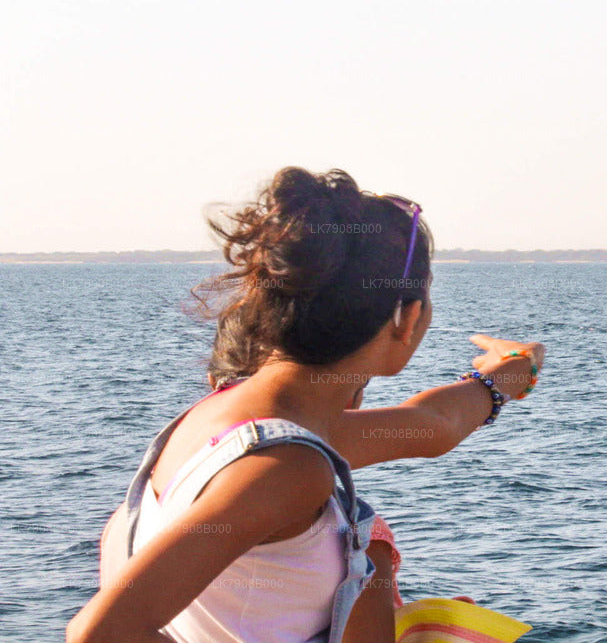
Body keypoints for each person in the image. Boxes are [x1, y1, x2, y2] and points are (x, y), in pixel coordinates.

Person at [67, 168, 544, 643]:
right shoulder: (287, 468)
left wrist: (516, 369)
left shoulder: (240, 423)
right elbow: (101, 634)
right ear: (408, 318)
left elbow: (432, 423)